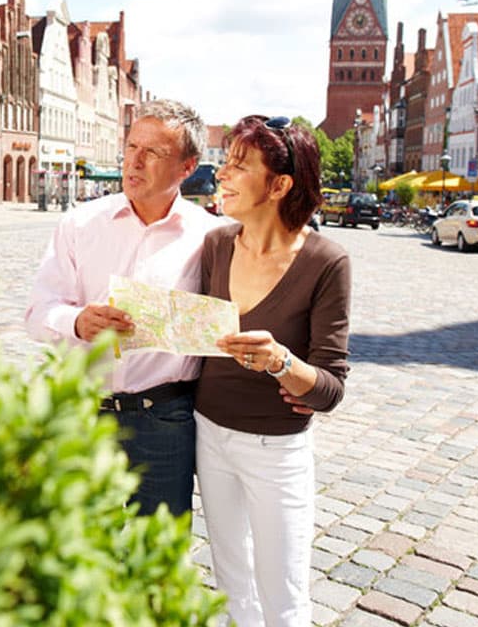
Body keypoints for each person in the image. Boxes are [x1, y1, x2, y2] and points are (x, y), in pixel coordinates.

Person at [25, 99, 218, 518]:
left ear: (188, 167)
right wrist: (76, 321)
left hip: (165, 421)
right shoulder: (79, 224)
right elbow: (37, 313)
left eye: (154, 153)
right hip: (83, 414)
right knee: (77, 550)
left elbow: (227, 324)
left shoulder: (212, 237)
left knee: (158, 557)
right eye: (132, 147)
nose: (136, 162)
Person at [195, 115, 351, 627]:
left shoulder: (327, 261)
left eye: (239, 166)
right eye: (226, 162)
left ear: (280, 185)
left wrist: (282, 361)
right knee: (230, 582)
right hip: (209, 433)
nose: (222, 174)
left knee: (283, 594)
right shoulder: (216, 245)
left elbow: (329, 389)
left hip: (277, 448)